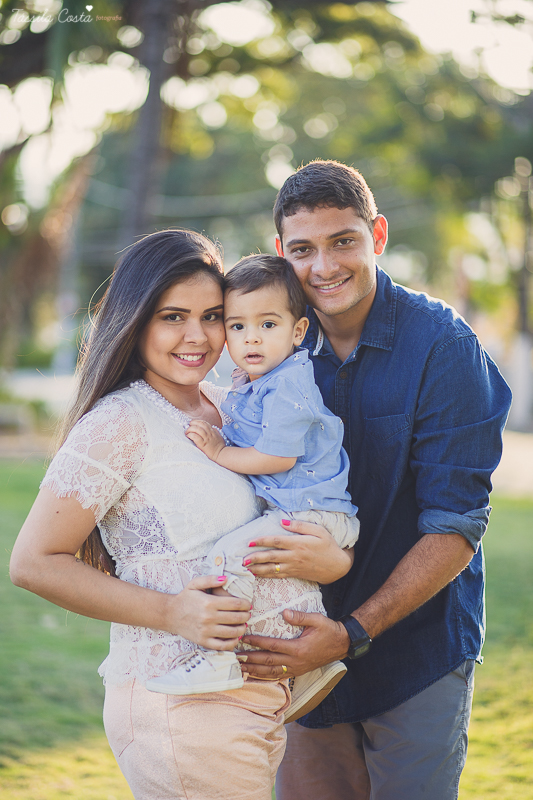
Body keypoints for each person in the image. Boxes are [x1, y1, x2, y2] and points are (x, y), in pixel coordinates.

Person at [9, 229, 354, 800]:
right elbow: (33, 562)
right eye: (173, 316)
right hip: (182, 706)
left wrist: (332, 562)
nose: (197, 336)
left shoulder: (231, 404)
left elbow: (290, 508)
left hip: (262, 701)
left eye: (214, 316)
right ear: (135, 320)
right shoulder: (119, 423)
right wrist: (174, 613)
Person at [233, 160, 512, 800]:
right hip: (297, 645)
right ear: (281, 251)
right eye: (302, 249)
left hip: (415, 649)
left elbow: (456, 527)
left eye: (343, 241)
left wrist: (352, 632)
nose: (324, 267)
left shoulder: (444, 348)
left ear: (377, 235)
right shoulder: (268, 345)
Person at [146, 254, 360, 723]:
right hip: (305, 509)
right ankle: (306, 670)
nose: (252, 339)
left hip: (312, 513)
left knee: (228, 558)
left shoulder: (288, 387)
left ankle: (218, 659)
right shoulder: (259, 382)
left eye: (267, 324)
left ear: (298, 331)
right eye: (238, 326)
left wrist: (220, 452)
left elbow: (277, 458)